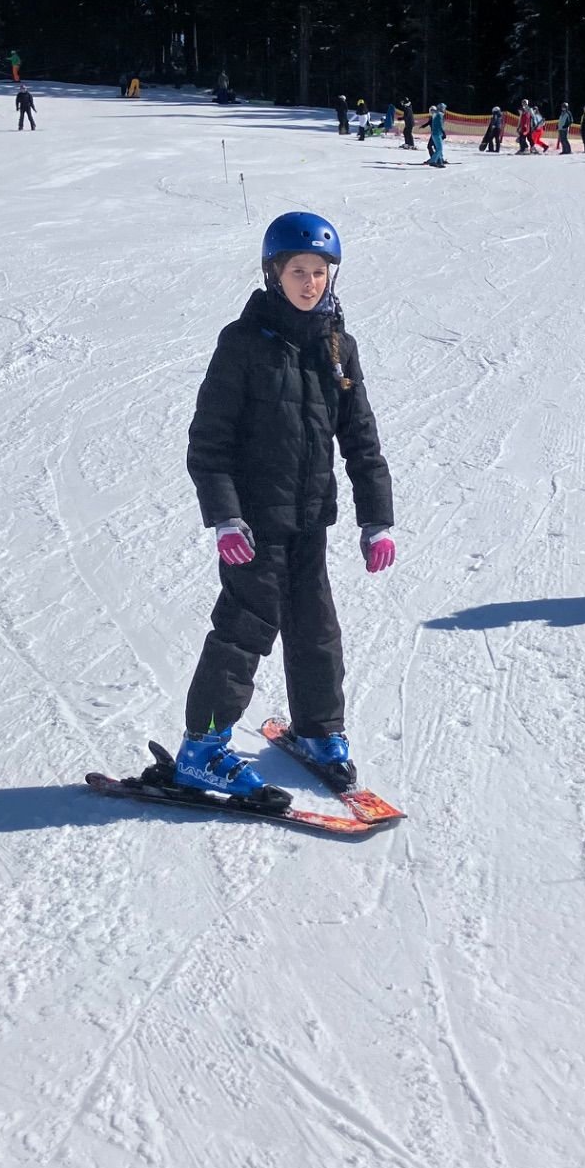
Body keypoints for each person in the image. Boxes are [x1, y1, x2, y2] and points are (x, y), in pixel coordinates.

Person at [173, 210, 395, 798]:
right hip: (252, 524)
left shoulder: (338, 347)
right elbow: (209, 441)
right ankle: (202, 745)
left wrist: (377, 519)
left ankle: (319, 730)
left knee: (315, 628)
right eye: (298, 270)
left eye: (320, 272)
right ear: (274, 274)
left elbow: (361, 438)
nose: (309, 283)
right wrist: (224, 515)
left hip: (309, 520)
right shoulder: (243, 343)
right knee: (244, 631)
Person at [426, 102, 447, 167]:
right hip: (437, 134)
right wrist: (443, 132)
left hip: (435, 134)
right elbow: (440, 125)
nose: (444, 109)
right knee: (439, 149)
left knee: (439, 148)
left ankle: (440, 162)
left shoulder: (436, 114)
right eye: (444, 108)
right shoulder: (439, 114)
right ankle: (432, 161)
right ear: (441, 108)